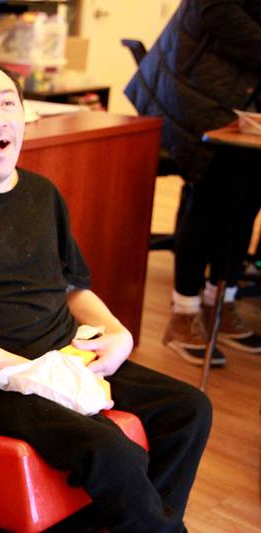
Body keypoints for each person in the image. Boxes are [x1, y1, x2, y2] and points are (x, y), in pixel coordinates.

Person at [0, 55, 212, 532]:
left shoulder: (43, 194)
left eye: (7, 104)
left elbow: (75, 290)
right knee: (110, 449)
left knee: (190, 411)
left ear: (22, 116)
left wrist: (119, 334)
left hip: (64, 357)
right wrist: (25, 373)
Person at [125, 0, 261, 365]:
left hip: (245, 99)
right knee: (210, 202)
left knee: (246, 203)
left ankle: (222, 305)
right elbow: (214, 9)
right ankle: (183, 314)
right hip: (198, 96)